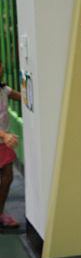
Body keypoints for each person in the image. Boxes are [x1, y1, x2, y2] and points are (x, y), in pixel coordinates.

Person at [0, 60, 21, 229]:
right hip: (2, 138)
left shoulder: (3, 89)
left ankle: (0, 214)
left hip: (3, 143)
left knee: (8, 177)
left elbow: (22, 97)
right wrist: (4, 135)